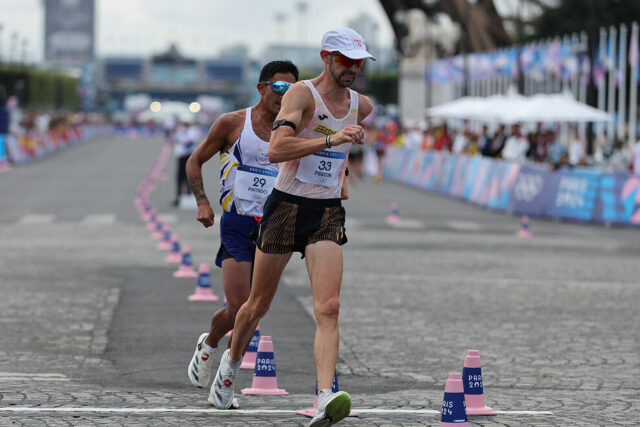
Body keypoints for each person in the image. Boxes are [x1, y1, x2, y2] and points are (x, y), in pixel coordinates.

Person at [208, 27, 374, 427]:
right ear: (326, 57)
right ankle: (230, 366)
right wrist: (333, 140)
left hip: (326, 212)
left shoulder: (361, 105)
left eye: (358, 62)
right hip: (285, 208)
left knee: (329, 307)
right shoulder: (301, 94)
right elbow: (276, 149)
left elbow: (342, 150)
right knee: (256, 306)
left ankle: (324, 396)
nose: (352, 68)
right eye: (345, 60)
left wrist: (344, 167)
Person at [184, 61, 299, 399]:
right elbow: (195, 161)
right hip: (236, 224)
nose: (286, 96)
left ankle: (221, 368)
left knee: (255, 309)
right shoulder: (233, 123)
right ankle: (211, 345)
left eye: (293, 90)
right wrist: (203, 203)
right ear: (262, 88)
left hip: (275, 227)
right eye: (280, 88)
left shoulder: (295, 128)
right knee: (238, 307)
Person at [172, 120, 198, 206]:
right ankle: (179, 197)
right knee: (180, 177)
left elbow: (189, 143)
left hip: (189, 156)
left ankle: (189, 195)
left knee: (189, 176)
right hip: (181, 156)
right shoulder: (180, 130)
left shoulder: (193, 130)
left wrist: (180, 139)